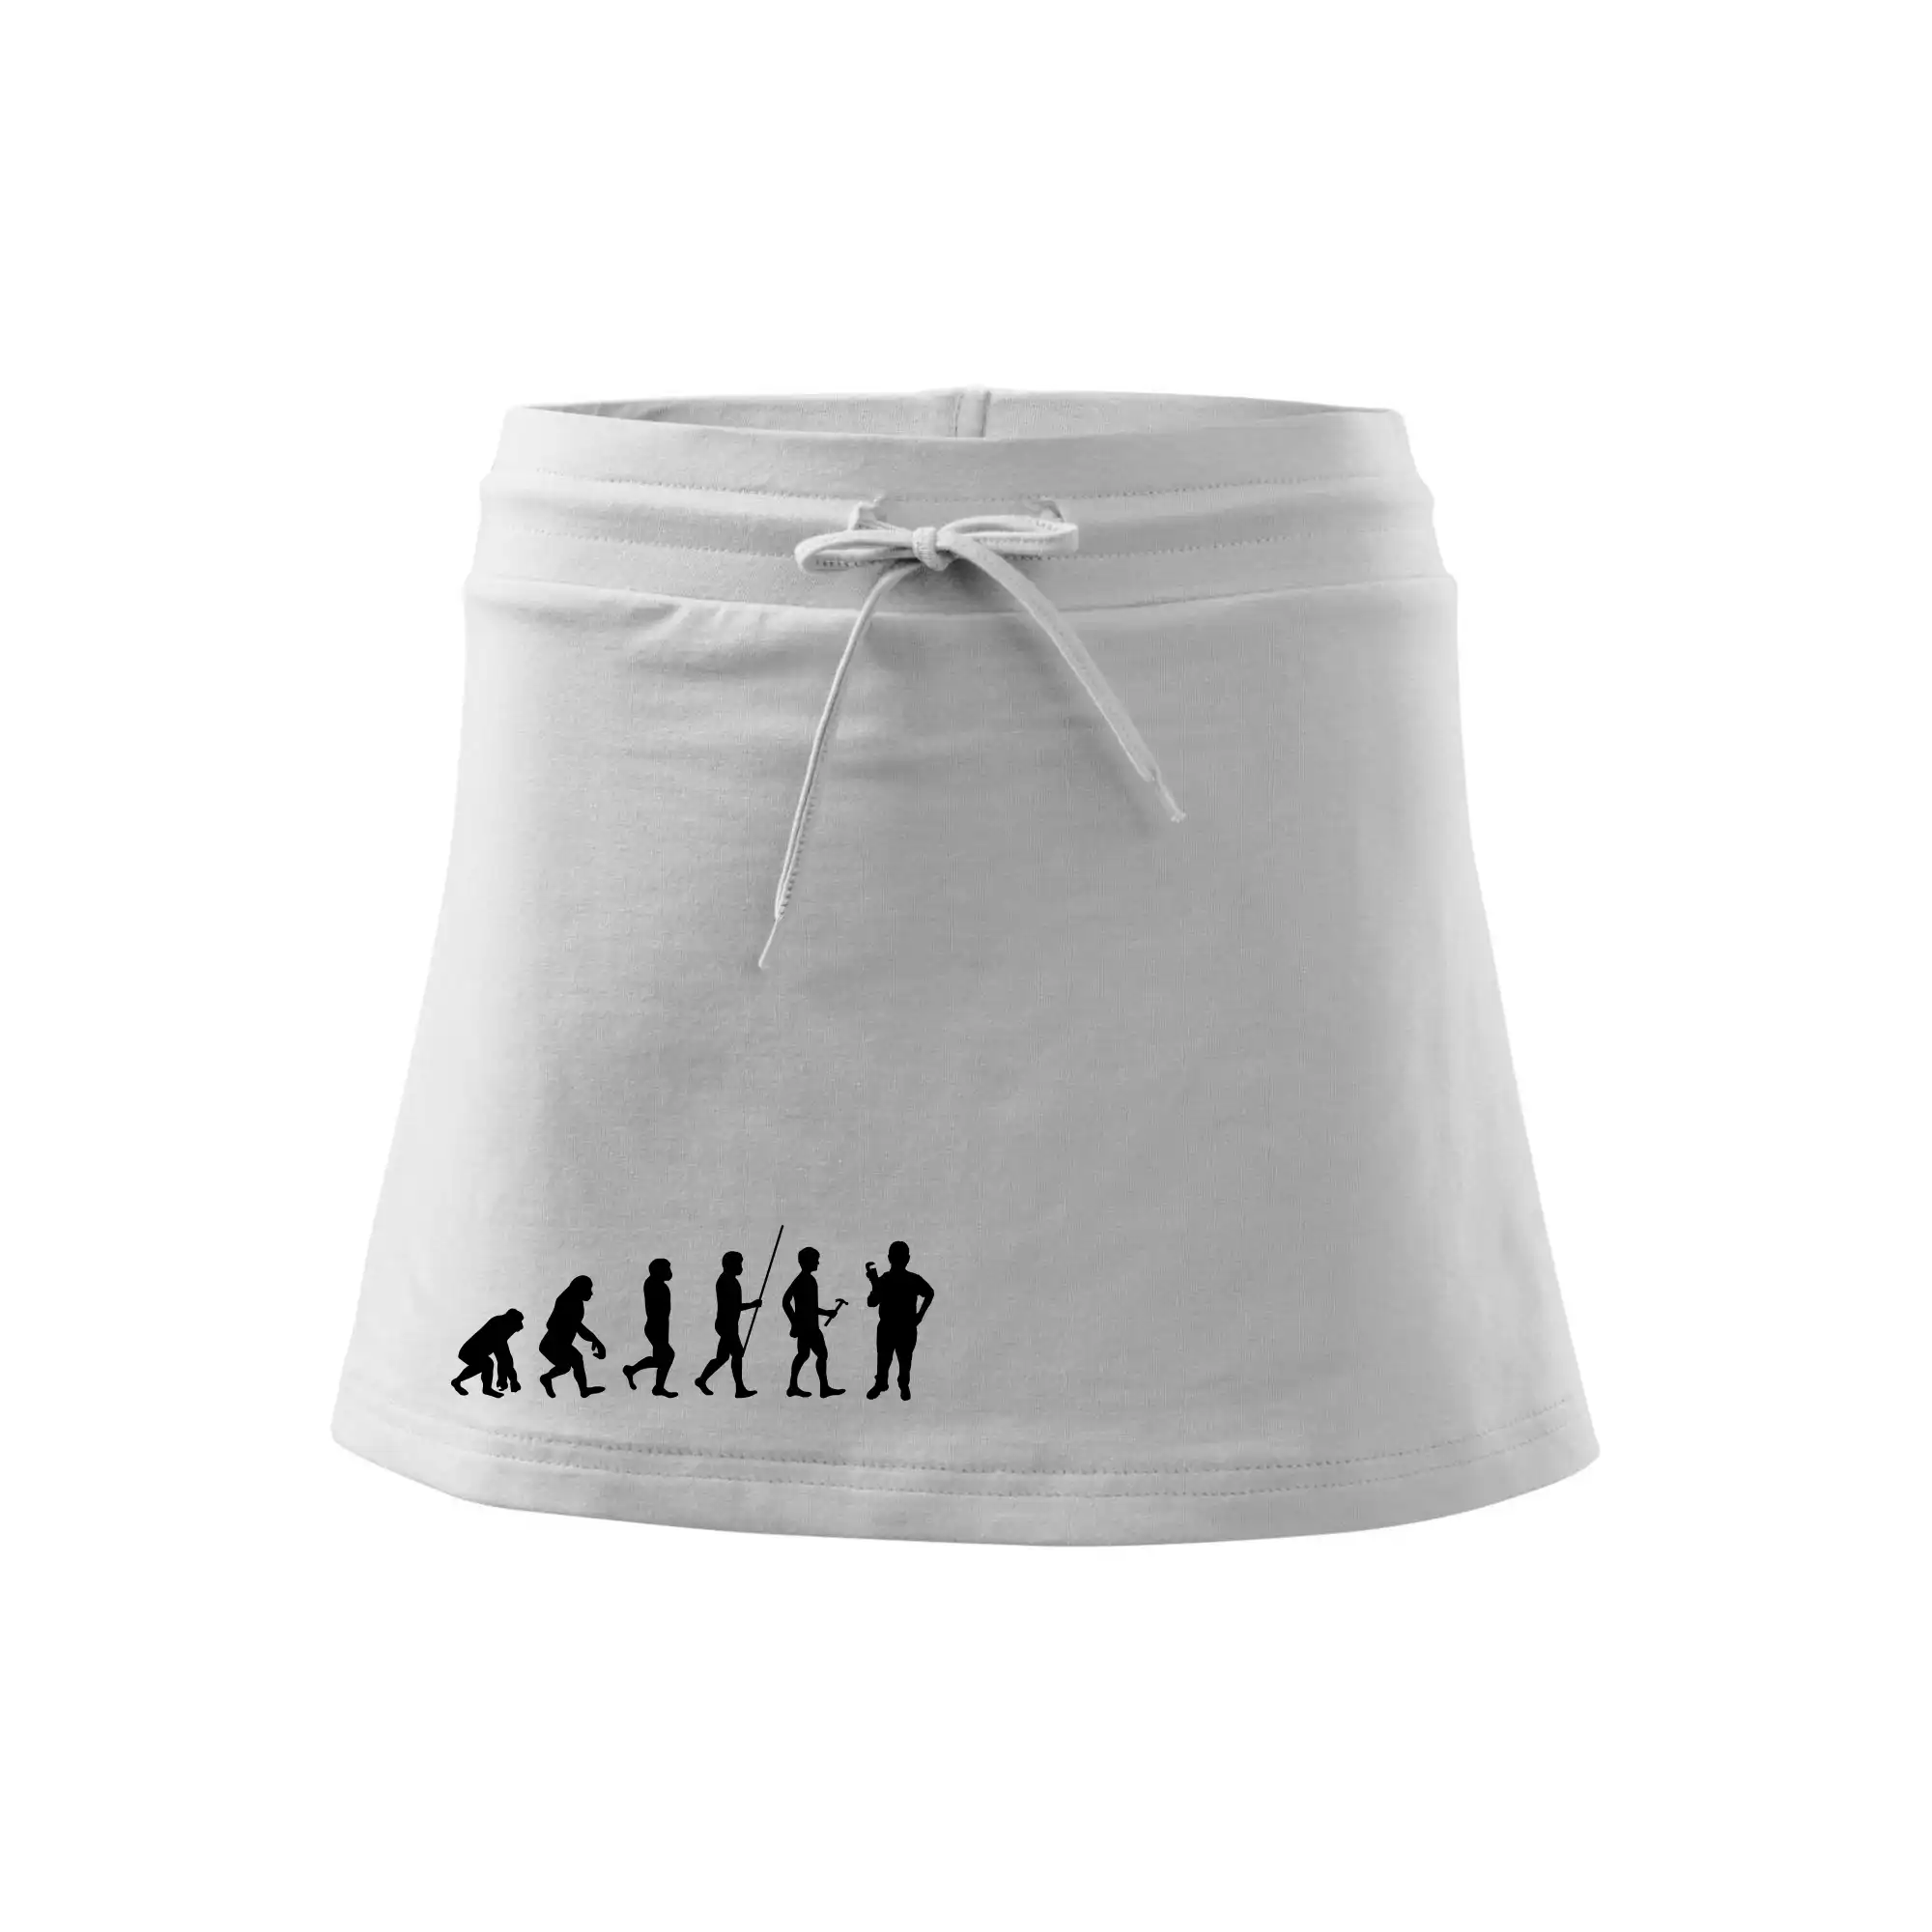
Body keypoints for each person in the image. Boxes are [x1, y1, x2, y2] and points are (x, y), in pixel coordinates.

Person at [865, 1241, 934, 1401]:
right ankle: (883, 1384)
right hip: (891, 1328)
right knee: (888, 1360)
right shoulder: (886, 1279)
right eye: (898, 1257)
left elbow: (930, 1293)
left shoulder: (907, 1279)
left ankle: (901, 1385)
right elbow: (872, 1302)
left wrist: (920, 1315)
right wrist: (875, 1284)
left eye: (900, 1257)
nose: (899, 1260)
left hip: (904, 1328)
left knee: (903, 1361)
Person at [694, 1250, 762, 1397]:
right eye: (739, 1264)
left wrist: (752, 1304)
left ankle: (701, 1380)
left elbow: (734, 1306)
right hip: (727, 1325)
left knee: (722, 1357)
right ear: (730, 1265)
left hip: (728, 1324)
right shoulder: (726, 1281)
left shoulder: (730, 1280)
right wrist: (752, 1304)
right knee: (737, 1354)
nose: (741, 1267)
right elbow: (733, 1306)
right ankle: (739, 1389)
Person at [781, 1247, 845, 1398]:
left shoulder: (808, 1279)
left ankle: (793, 1387)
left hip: (808, 1326)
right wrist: (794, 1322)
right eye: (815, 1260)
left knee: (803, 1355)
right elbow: (785, 1301)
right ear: (806, 1262)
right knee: (821, 1354)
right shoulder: (802, 1280)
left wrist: (827, 1312)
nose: (818, 1263)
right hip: (808, 1327)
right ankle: (823, 1388)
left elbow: (810, 1307)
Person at [537, 1274, 607, 1398]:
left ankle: (547, 1378)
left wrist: (594, 1340)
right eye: (588, 1289)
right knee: (576, 1359)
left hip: (554, 1344)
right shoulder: (567, 1300)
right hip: (551, 1344)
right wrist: (596, 1341)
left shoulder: (575, 1302)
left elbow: (577, 1326)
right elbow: (572, 1326)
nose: (591, 1293)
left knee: (565, 1366)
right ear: (580, 1289)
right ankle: (583, 1390)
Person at [622, 1258, 677, 1396]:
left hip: (658, 1327)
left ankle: (632, 1371)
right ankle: (657, 1387)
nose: (670, 1272)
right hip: (656, 1327)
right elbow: (659, 1310)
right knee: (667, 1356)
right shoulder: (656, 1285)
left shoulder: (653, 1283)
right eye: (667, 1269)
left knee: (660, 1359)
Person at [450, 1309, 524, 1397]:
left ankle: (459, 1382)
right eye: (514, 1329)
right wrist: (508, 1380)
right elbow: (504, 1358)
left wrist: (511, 1380)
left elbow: (504, 1359)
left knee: (485, 1364)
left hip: (475, 1353)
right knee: (487, 1363)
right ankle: (484, 1388)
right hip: (468, 1351)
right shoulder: (498, 1328)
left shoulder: (501, 1328)